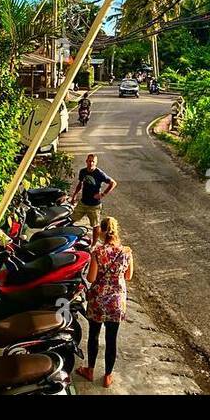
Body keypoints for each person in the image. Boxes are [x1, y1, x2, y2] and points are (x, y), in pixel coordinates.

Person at [75, 217, 133, 387]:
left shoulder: (98, 252)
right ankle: (108, 376)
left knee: (93, 335)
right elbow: (128, 276)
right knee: (111, 339)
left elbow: (91, 278)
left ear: (101, 231)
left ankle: (90, 370)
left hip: (98, 301)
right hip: (116, 302)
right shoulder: (127, 252)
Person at [70, 154, 116, 227]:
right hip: (83, 202)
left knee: (95, 225)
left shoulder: (99, 174)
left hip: (94, 205)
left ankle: (94, 239)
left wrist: (102, 194)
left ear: (96, 162)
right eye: (89, 161)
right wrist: (74, 196)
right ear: (86, 161)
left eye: (93, 161)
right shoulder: (83, 171)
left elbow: (113, 183)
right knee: (72, 219)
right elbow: (80, 184)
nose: (91, 163)